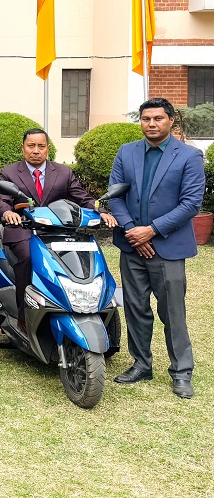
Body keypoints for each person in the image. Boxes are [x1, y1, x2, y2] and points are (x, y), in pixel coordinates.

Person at [107, 98, 205, 399]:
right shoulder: (126, 152)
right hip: (132, 247)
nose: (151, 124)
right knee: (135, 308)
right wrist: (133, 231)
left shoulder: (188, 156)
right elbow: (115, 196)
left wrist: (151, 231)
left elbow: (191, 203)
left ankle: (181, 372)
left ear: (171, 121)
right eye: (146, 118)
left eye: (158, 118)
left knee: (172, 312)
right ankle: (141, 364)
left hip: (168, 248)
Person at [0, 128, 117, 330]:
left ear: (48, 148)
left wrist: (101, 212)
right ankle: (25, 317)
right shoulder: (10, 172)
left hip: (59, 231)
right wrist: (8, 213)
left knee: (81, 261)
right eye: (31, 146)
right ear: (23, 148)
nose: (36, 151)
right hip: (24, 229)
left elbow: (82, 197)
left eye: (41, 146)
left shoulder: (63, 172)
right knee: (28, 257)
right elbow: (2, 200)